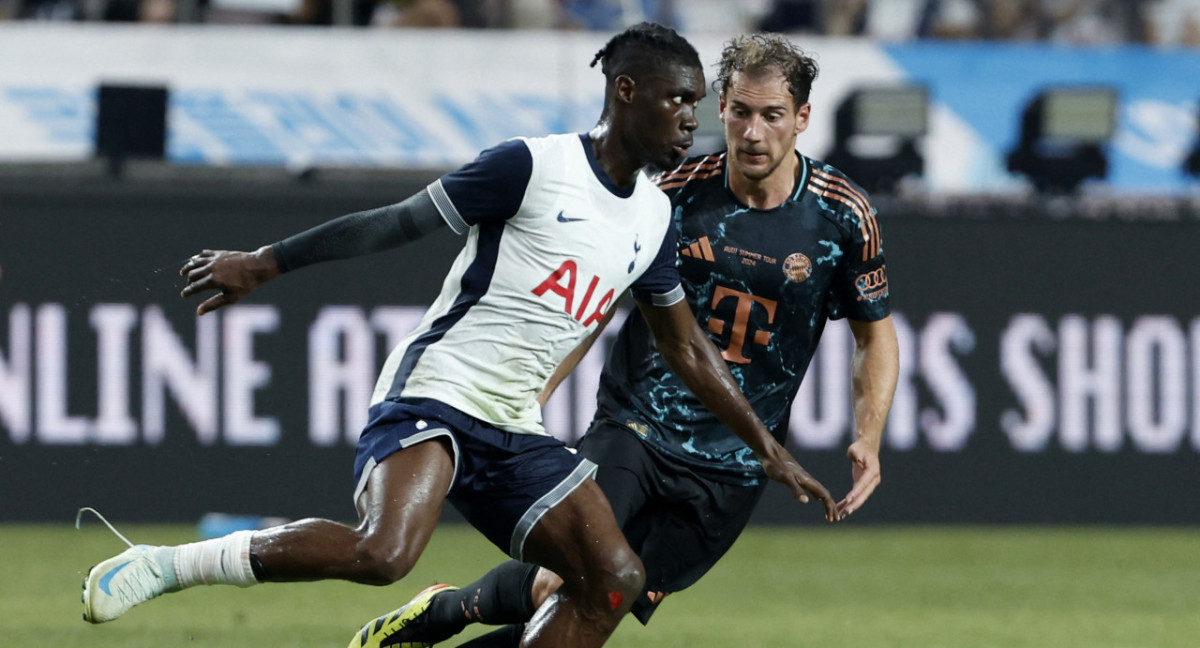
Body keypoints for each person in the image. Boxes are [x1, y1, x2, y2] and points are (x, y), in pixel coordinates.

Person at [79, 22, 840, 648]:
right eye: (679, 101)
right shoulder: (531, 167)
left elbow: (684, 347)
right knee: (384, 553)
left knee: (613, 582)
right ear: (625, 91)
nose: (691, 120)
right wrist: (265, 262)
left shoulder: (652, 217)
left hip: (513, 426)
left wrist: (767, 449)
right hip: (437, 396)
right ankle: (169, 565)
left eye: (696, 105)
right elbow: (394, 222)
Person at [353, 31, 900, 648]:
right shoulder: (669, 192)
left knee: (606, 604)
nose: (752, 132)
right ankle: (445, 613)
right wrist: (534, 390)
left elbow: (873, 335)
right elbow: (594, 302)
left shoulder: (844, 216)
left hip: (738, 459)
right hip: (636, 425)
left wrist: (869, 435)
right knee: (579, 577)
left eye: (771, 116)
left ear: (802, 118)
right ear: (719, 109)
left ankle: (444, 610)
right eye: (740, 112)